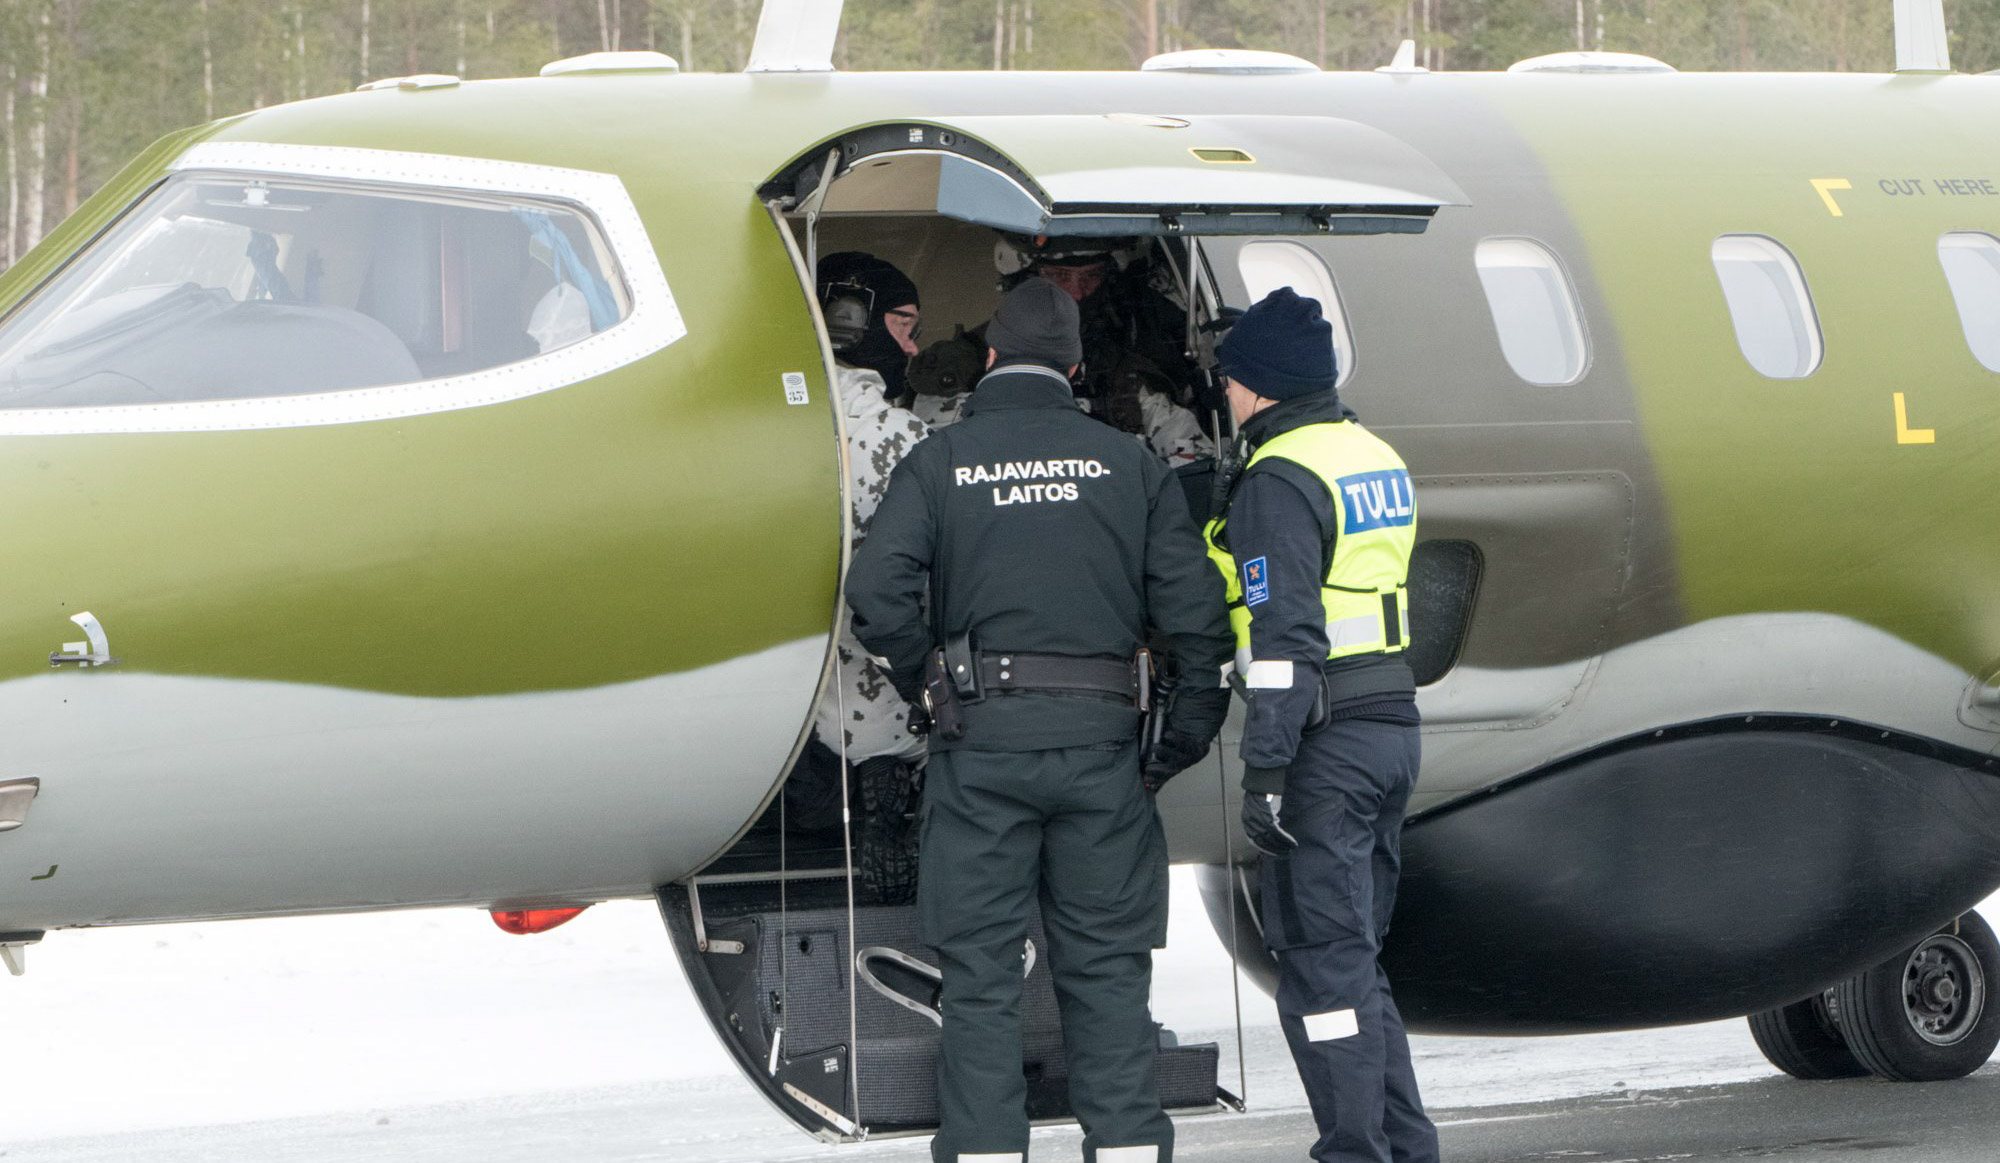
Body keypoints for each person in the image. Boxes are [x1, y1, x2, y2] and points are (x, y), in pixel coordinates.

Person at [847, 278, 1234, 1163]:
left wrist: (931, 685)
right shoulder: (1127, 461)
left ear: (987, 359)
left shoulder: (942, 461)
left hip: (981, 750)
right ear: (1075, 365)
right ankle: (1130, 1146)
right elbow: (1193, 611)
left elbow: (875, 590)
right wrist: (1187, 726)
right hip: (1104, 751)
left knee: (981, 976)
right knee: (1106, 968)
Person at [1205, 287, 1438, 1163]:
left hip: (1325, 742)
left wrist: (1265, 767)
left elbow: (1285, 639)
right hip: (1389, 726)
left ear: (1260, 386)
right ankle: (1404, 1149)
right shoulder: (1369, 453)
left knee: (1322, 971)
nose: (1224, 397)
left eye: (1229, 381)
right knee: (1353, 961)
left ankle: (1356, 1153)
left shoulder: (1279, 481)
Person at [803, 251, 931, 902]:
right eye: (905, 324)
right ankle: (898, 781)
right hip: (880, 691)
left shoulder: (780, 416)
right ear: (857, 323)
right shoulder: (900, 433)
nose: (914, 342)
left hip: (801, 698)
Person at [909, 236, 1213, 467]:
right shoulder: (967, 365)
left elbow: (1188, 452)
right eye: (1060, 277)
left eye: (1090, 277)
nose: (1076, 293)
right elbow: (931, 461)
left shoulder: (1127, 364)